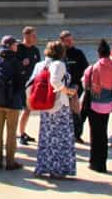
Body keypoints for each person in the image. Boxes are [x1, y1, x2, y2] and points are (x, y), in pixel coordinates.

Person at [29, 41, 80, 178]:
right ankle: (57, 169)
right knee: (60, 138)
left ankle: (45, 166)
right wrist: (68, 91)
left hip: (47, 106)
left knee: (47, 138)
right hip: (58, 105)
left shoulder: (42, 64)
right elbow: (55, 82)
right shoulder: (58, 64)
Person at [0, 35, 24, 170]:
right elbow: (21, 83)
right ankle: (10, 162)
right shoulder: (16, 61)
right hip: (12, 103)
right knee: (11, 132)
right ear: (10, 46)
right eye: (15, 44)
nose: (17, 46)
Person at [82, 39, 112, 173]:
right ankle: (102, 162)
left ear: (98, 53)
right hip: (108, 103)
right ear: (109, 53)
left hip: (95, 104)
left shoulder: (93, 67)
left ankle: (95, 162)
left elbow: (85, 84)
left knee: (95, 134)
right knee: (103, 132)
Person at [59, 29, 89, 142]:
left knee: (76, 113)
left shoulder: (78, 53)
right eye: (67, 41)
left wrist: (78, 85)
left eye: (71, 40)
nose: (70, 43)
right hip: (62, 88)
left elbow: (85, 70)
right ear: (62, 42)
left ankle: (77, 135)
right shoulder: (59, 54)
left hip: (76, 88)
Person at [16, 26, 41, 145]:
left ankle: (22, 132)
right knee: (24, 109)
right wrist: (21, 63)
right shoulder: (18, 48)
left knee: (28, 110)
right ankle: (20, 134)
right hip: (20, 85)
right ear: (26, 36)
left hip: (32, 85)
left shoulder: (35, 50)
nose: (35, 38)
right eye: (33, 35)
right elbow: (13, 65)